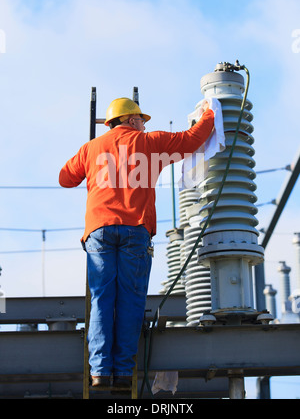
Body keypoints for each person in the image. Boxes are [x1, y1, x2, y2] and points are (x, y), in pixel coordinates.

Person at [59, 97, 214, 390]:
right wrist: (210, 113)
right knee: (130, 301)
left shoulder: (91, 148)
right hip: (135, 230)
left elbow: (65, 178)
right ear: (131, 121)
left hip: (99, 232)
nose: (144, 125)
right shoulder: (150, 143)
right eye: (142, 120)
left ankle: (99, 372)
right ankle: (122, 372)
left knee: (102, 300)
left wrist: (93, 168)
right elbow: (192, 140)